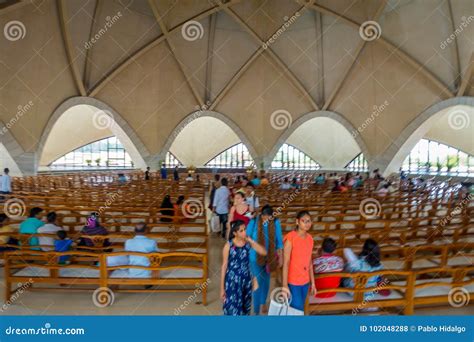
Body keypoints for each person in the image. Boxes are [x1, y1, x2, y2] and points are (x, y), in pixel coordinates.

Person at [220, 220, 267, 316]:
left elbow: (263, 252)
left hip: (246, 281)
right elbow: (224, 266)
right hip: (232, 282)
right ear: (234, 233)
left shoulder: (248, 243)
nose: (244, 232)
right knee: (232, 309)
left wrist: (251, 240)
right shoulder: (228, 245)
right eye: (241, 231)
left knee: (245, 310)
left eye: (245, 229)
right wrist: (222, 288)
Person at [246, 205, 283, 315]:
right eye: (264, 217)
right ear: (261, 215)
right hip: (254, 257)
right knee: (257, 282)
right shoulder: (254, 221)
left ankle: (263, 303)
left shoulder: (276, 222)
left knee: (266, 281)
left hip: (270, 257)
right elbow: (247, 236)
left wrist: (280, 256)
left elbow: (279, 241)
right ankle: (256, 310)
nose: (266, 220)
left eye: (269, 217)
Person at [282, 210, 316, 311]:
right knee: (297, 309)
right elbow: (286, 263)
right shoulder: (290, 238)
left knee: (299, 308)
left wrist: (313, 283)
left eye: (309, 221)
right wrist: (284, 286)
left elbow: (309, 261)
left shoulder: (310, 239)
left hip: (305, 281)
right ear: (297, 222)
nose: (307, 223)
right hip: (293, 281)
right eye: (303, 221)